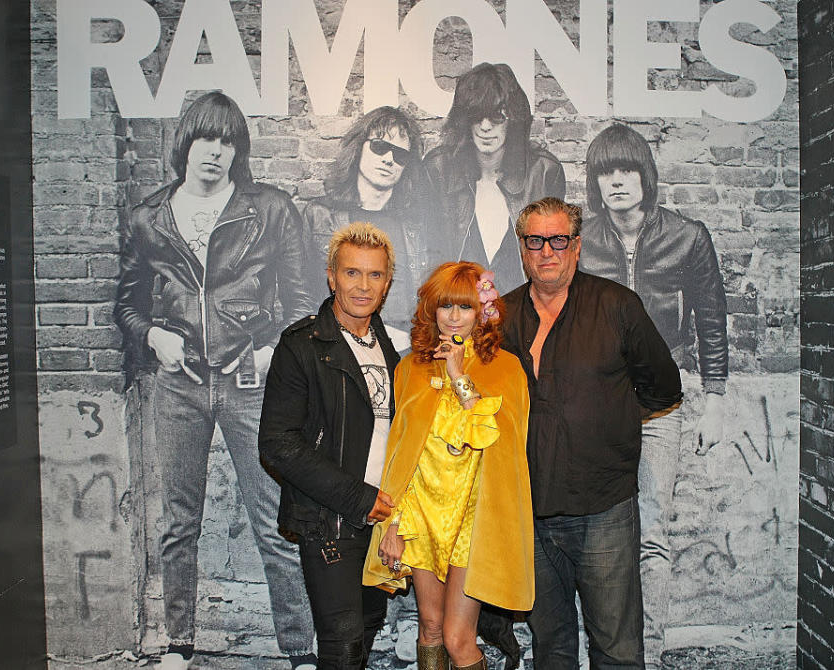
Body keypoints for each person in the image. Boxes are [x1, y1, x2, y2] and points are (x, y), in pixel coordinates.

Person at [113, 91, 316, 670]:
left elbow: (303, 306)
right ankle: (178, 644)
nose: (216, 152)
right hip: (178, 386)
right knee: (179, 524)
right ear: (186, 143)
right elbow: (126, 307)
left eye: (228, 141)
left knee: (275, 521)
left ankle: (300, 650)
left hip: (249, 386)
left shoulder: (270, 209)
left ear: (238, 151)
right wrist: (155, 337)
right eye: (206, 139)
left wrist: (270, 353)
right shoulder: (149, 218)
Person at [502, 197, 683, 669]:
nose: (547, 251)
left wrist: (611, 419)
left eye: (558, 239)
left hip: (604, 508)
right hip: (530, 513)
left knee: (617, 651)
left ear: (577, 246)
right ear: (522, 248)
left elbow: (664, 388)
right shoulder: (499, 318)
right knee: (551, 649)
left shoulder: (617, 305)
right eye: (535, 241)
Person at [578, 123, 729, 668]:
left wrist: (713, 399)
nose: (616, 182)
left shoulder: (688, 237)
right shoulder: (580, 239)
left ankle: (651, 650)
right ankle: (599, 649)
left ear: (645, 174)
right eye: (604, 173)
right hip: (593, 408)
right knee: (592, 533)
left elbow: (712, 321)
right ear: (595, 183)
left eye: (626, 170)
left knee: (653, 531)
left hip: (660, 406)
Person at [363, 262, 534, 670]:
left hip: (475, 522)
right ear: (431, 310)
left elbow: (491, 435)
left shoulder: (506, 368)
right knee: (431, 628)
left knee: (459, 640)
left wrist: (458, 374)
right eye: (446, 307)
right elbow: (401, 455)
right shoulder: (410, 369)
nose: (454, 317)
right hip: (422, 516)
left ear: (483, 312)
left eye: (465, 307)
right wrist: (394, 524)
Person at [259, 223, 401, 670]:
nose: (363, 285)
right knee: (342, 645)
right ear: (331, 277)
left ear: (387, 282)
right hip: (330, 520)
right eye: (352, 273)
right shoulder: (301, 345)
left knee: (369, 627)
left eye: (374, 275)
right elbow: (278, 443)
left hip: (384, 516)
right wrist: (358, 498)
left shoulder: (390, 347)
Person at [303, 106, 442, 350]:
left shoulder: (416, 224)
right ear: (358, 149)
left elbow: (432, 299)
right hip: (338, 352)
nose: (389, 159)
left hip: (403, 354)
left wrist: (413, 337)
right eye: (379, 147)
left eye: (400, 155)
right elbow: (304, 295)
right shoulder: (320, 216)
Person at [424, 62, 565, 292]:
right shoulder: (438, 170)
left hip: (522, 317)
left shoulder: (543, 172)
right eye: (477, 117)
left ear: (513, 120)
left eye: (497, 117)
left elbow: (553, 262)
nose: (485, 127)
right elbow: (429, 254)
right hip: (458, 315)